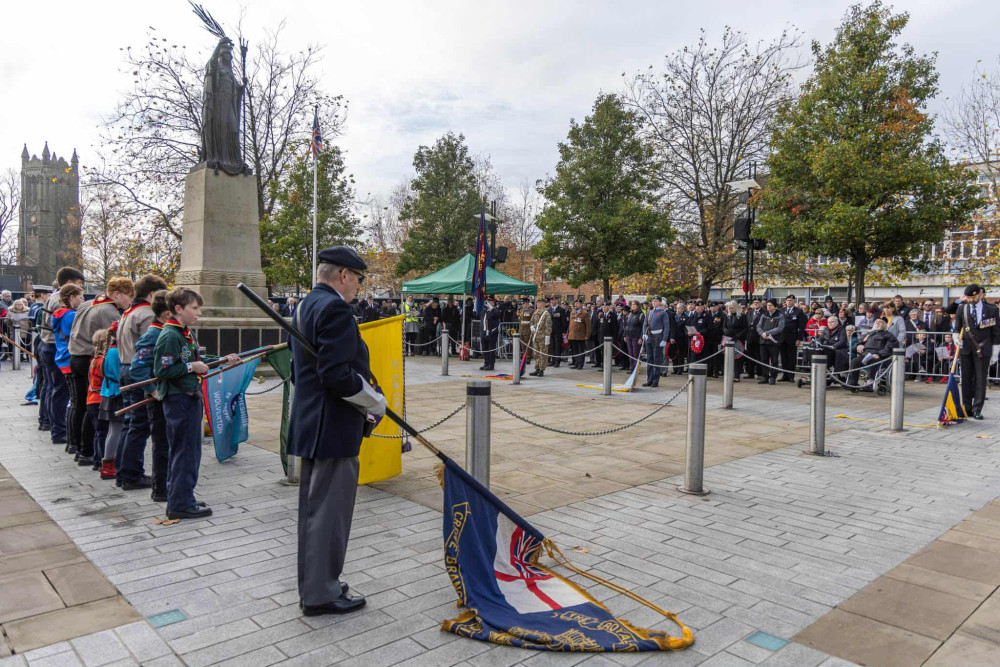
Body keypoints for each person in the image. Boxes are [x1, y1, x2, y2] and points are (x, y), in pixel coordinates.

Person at [287, 245, 383, 616]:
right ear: (343, 275)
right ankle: (321, 594)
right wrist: (374, 401)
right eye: (357, 278)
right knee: (329, 517)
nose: (358, 286)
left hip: (313, 423)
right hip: (333, 426)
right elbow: (336, 375)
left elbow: (299, 371)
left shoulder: (306, 305)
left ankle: (316, 585)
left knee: (315, 515)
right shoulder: (335, 309)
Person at [154, 288, 238, 520]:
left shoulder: (184, 332)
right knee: (185, 451)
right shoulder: (170, 336)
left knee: (189, 450)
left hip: (188, 397)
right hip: (179, 399)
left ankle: (182, 495)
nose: (199, 313)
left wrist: (222, 360)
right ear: (178, 309)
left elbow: (197, 360)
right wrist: (192, 367)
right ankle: (180, 503)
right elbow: (162, 369)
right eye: (194, 308)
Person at [67, 277, 134, 462]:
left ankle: (76, 446)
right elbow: (119, 335)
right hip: (91, 358)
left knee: (79, 404)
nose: (130, 300)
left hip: (75, 356)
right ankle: (88, 451)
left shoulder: (87, 303)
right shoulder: (109, 311)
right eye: (128, 296)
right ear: (116, 294)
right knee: (92, 408)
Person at [116, 274, 169, 490]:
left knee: (131, 424)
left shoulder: (130, 311)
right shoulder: (147, 315)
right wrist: (152, 386)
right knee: (139, 426)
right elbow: (152, 349)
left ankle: (123, 471)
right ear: (152, 293)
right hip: (139, 372)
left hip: (126, 367)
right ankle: (131, 474)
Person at [39, 268, 84, 444]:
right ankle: (58, 429)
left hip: (49, 345)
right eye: (79, 284)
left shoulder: (53, 297)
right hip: (55, 347)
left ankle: (47, 421)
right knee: (59, 391)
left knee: (50, 387)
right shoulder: (61, 303)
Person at [945, 284, 1000, 419]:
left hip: (984, 349)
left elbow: (996, 332)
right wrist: (955, 337)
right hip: (966, 349)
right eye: (968, 297)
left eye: (973, 298)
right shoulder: (962, 308)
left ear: (980, 294)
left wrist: (995, 351)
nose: (970, 300)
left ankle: (977, 409)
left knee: (981, 379)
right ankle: (967, 407)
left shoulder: (992, 309)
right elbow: (957, 327)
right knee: (966, 379)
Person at [846, 319, 897, 391]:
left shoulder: (889, 335)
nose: (877, 323)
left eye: (880, 322)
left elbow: (889, 347)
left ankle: (870, 383)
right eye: (876, 322)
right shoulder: (869, 334)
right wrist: (859, 345)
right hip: (866, 354)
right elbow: (861, 340)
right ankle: (852, 383)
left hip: (879, 356)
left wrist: (879, 354)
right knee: (855, 361)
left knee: (874, 362)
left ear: (885, 325)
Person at [87, 330, 110, 472]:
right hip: (100, 399)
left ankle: (96, 460)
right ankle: (102, 460)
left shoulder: (94, 360)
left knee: (98, 431)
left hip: (91, 399)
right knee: (103, 431)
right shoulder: (103, 361)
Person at [756, 299, 785, 385]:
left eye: (770, 305)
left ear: (775, 306)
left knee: (774, 360)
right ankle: (765, 376)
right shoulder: (764, 315)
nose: (768, 307)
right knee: (764, 360)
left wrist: (768, 333)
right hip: (763, 341)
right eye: (768, 305)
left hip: (774, 341)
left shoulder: (780, 316)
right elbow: (758, 326)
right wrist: (762, 333)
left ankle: (773, 377)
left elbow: (780, 328)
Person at [642, 297, 669, 387]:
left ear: (660, 302)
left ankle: (655, 381)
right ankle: (649, 380)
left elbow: (666, 327)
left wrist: (664, 339)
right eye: (653, 301)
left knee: (657, 360)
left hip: (658, 337)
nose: (654, 302)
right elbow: (645, 324)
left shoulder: (663, 313)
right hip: (649, 336)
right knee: (649, 359)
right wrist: (644, 334)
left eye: (656, 301)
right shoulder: (649, 312)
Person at [780, 295, 807, 382]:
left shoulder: (798, 312)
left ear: (794, 302)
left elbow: (801, 327)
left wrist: (799, 338)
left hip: (792, 337)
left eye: (791, 300)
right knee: (783, 357)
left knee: (791, 357)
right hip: (782, 337)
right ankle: (785, 375)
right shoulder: (781, 311)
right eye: (787, 300)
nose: (789, 301)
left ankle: (791, 376)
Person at [722, 301, 748, 382]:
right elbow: (724, 326)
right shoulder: (727, 316)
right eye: (729, 308)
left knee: (737, 358)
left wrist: (738, 336)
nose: (731, 309)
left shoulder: (742, 316)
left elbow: (745, 328)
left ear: (736, 307)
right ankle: (729, 374)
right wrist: (726, 332)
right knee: (729, 358)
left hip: (738, 340)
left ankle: (737, 375)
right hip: (729, 339)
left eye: (732, 308)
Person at [528, 301, 552, 377]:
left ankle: (542, 369)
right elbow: (531, 321)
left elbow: (548, 326)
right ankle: (537, 368)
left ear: (544, 304)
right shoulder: (535, 312)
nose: (538, 305)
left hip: (543, 337)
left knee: (543, 354)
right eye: (538, 303)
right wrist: (532, 327)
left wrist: (547, 337)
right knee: (536, 354)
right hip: (536, 336)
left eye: (540, 303)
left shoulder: (546, 314)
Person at [567, 299, 591, 369]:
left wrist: (587, 335)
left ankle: (580, 364)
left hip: (581, 335)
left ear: (581, 304)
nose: (576, 305)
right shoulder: (572, 312)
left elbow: (588, 325)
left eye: (577, 303)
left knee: (581, 351)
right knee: (575, 351)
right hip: (573, 335)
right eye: (575, 303)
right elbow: (571, 324)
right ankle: (576, 363)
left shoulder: (584, 313)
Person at [479, 297, 501, 371]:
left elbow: (495, 315)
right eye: (488, 301)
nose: (488, 303)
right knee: (484, 348)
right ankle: (486, 363)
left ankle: (491, 365)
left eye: (490, 301)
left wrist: (491, 308)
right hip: (484, 332)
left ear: (494, 303)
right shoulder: (484, 311)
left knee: (491, 349)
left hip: (492, 332)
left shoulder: (496, 310)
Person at [547, 296, 567, 368]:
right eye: (552, 300)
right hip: (551, 331)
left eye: (554, 300)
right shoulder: (549, 310)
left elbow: (564, 321)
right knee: (552, 346)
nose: (553, 302)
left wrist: (564, 332)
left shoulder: (561, 310)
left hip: (558, 331)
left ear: (557, 301)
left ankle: (557, 361)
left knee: (558, 347)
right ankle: (553, 360)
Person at [517, 300, 535, 368]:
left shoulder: (531, 311)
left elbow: (528, 317)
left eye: (526, 304)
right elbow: (520, 320)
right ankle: (524, 357)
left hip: (527, 330)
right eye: (523, 304)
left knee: (528, 345)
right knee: (523, 345)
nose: (524, 305)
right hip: (521, 330)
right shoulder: (521, 310)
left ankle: (528, 358)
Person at [589, 297, 604, 366]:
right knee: (596, 348)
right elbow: (592, 321)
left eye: (599, 301)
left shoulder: (603, 309)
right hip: (595, 332)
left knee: (602, 349)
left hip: (600, 333)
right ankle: (598, 362)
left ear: (602, 301)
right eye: (597, 301)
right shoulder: (595, 310)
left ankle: (603, 363)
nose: (597, 302)